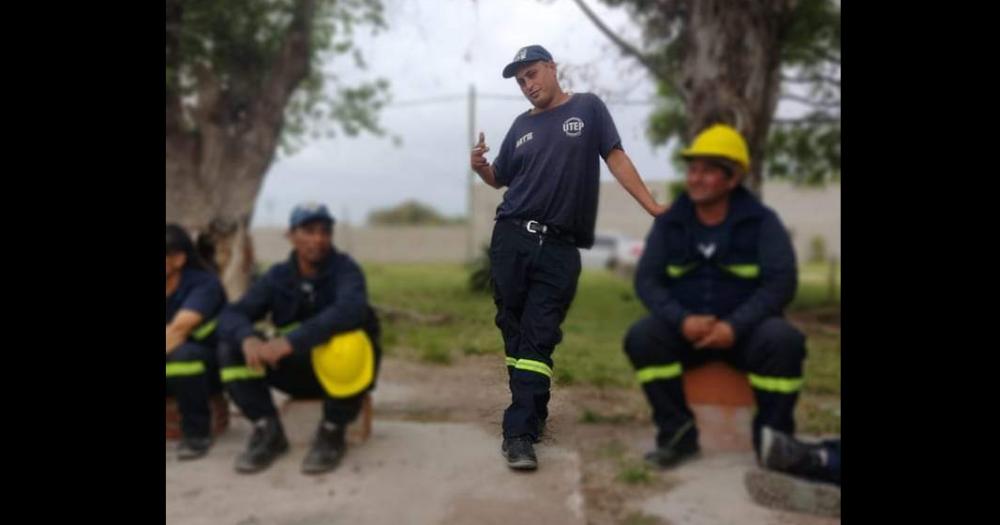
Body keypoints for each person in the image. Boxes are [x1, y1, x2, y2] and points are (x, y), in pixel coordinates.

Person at [470, 44, 667, 470]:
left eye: (533, 74)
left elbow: (615, 157)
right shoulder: (520, 126)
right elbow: (499, 179)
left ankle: (518, 434)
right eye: (521, 80)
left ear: (552, 68)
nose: (528, 85)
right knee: (515, 333)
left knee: (538, 336)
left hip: (559, 248)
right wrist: (480, 167)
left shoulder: (588, 109)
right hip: (510, 239)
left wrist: (651, 206)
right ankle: (532, 412)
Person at [623, 123, 806, 469]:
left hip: (745, 335)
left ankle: (774, 441)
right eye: (693, 169)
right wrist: (683, 320)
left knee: (784, 340)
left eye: (708, 170)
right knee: (642, 337)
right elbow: (647, 281)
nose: (696, 178)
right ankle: (677, 436)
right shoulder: (670, 223)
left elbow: (781, 283)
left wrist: (734, 327)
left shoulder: (762, 223)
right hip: (685, 333)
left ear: (732, 179)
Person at [216, 202, 381, 474]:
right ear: (290, 235)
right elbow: (232, 314)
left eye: (324, 231)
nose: (318, 238)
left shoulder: (346, 270)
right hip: (297, 371)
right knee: (230, 347)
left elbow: (350, 310)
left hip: (342, 377)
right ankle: (267, 429)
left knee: (348, 343)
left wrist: (290, 342)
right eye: (309, 230)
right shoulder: (276, 277)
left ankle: (332, 431)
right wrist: (247, 338)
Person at [166, 223, 227, 460]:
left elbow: (179, 330)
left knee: (183, 355)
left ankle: (196, 434)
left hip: (208, 369)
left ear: (178, 259)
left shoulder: (203, 284)